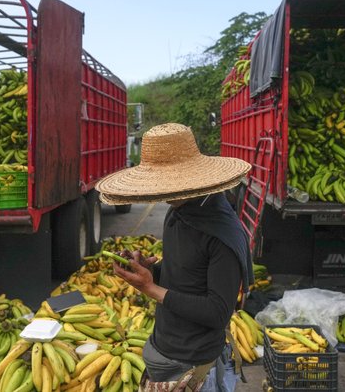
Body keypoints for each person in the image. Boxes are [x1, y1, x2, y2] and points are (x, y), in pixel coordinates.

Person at [95, 123, 253, 391]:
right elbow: (186, 275)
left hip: (193, 361)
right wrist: (149, 271)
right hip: (164, 345)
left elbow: (217, 311)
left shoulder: (222, 236)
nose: (162, 195)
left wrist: (150, 288)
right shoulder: (180, 212)